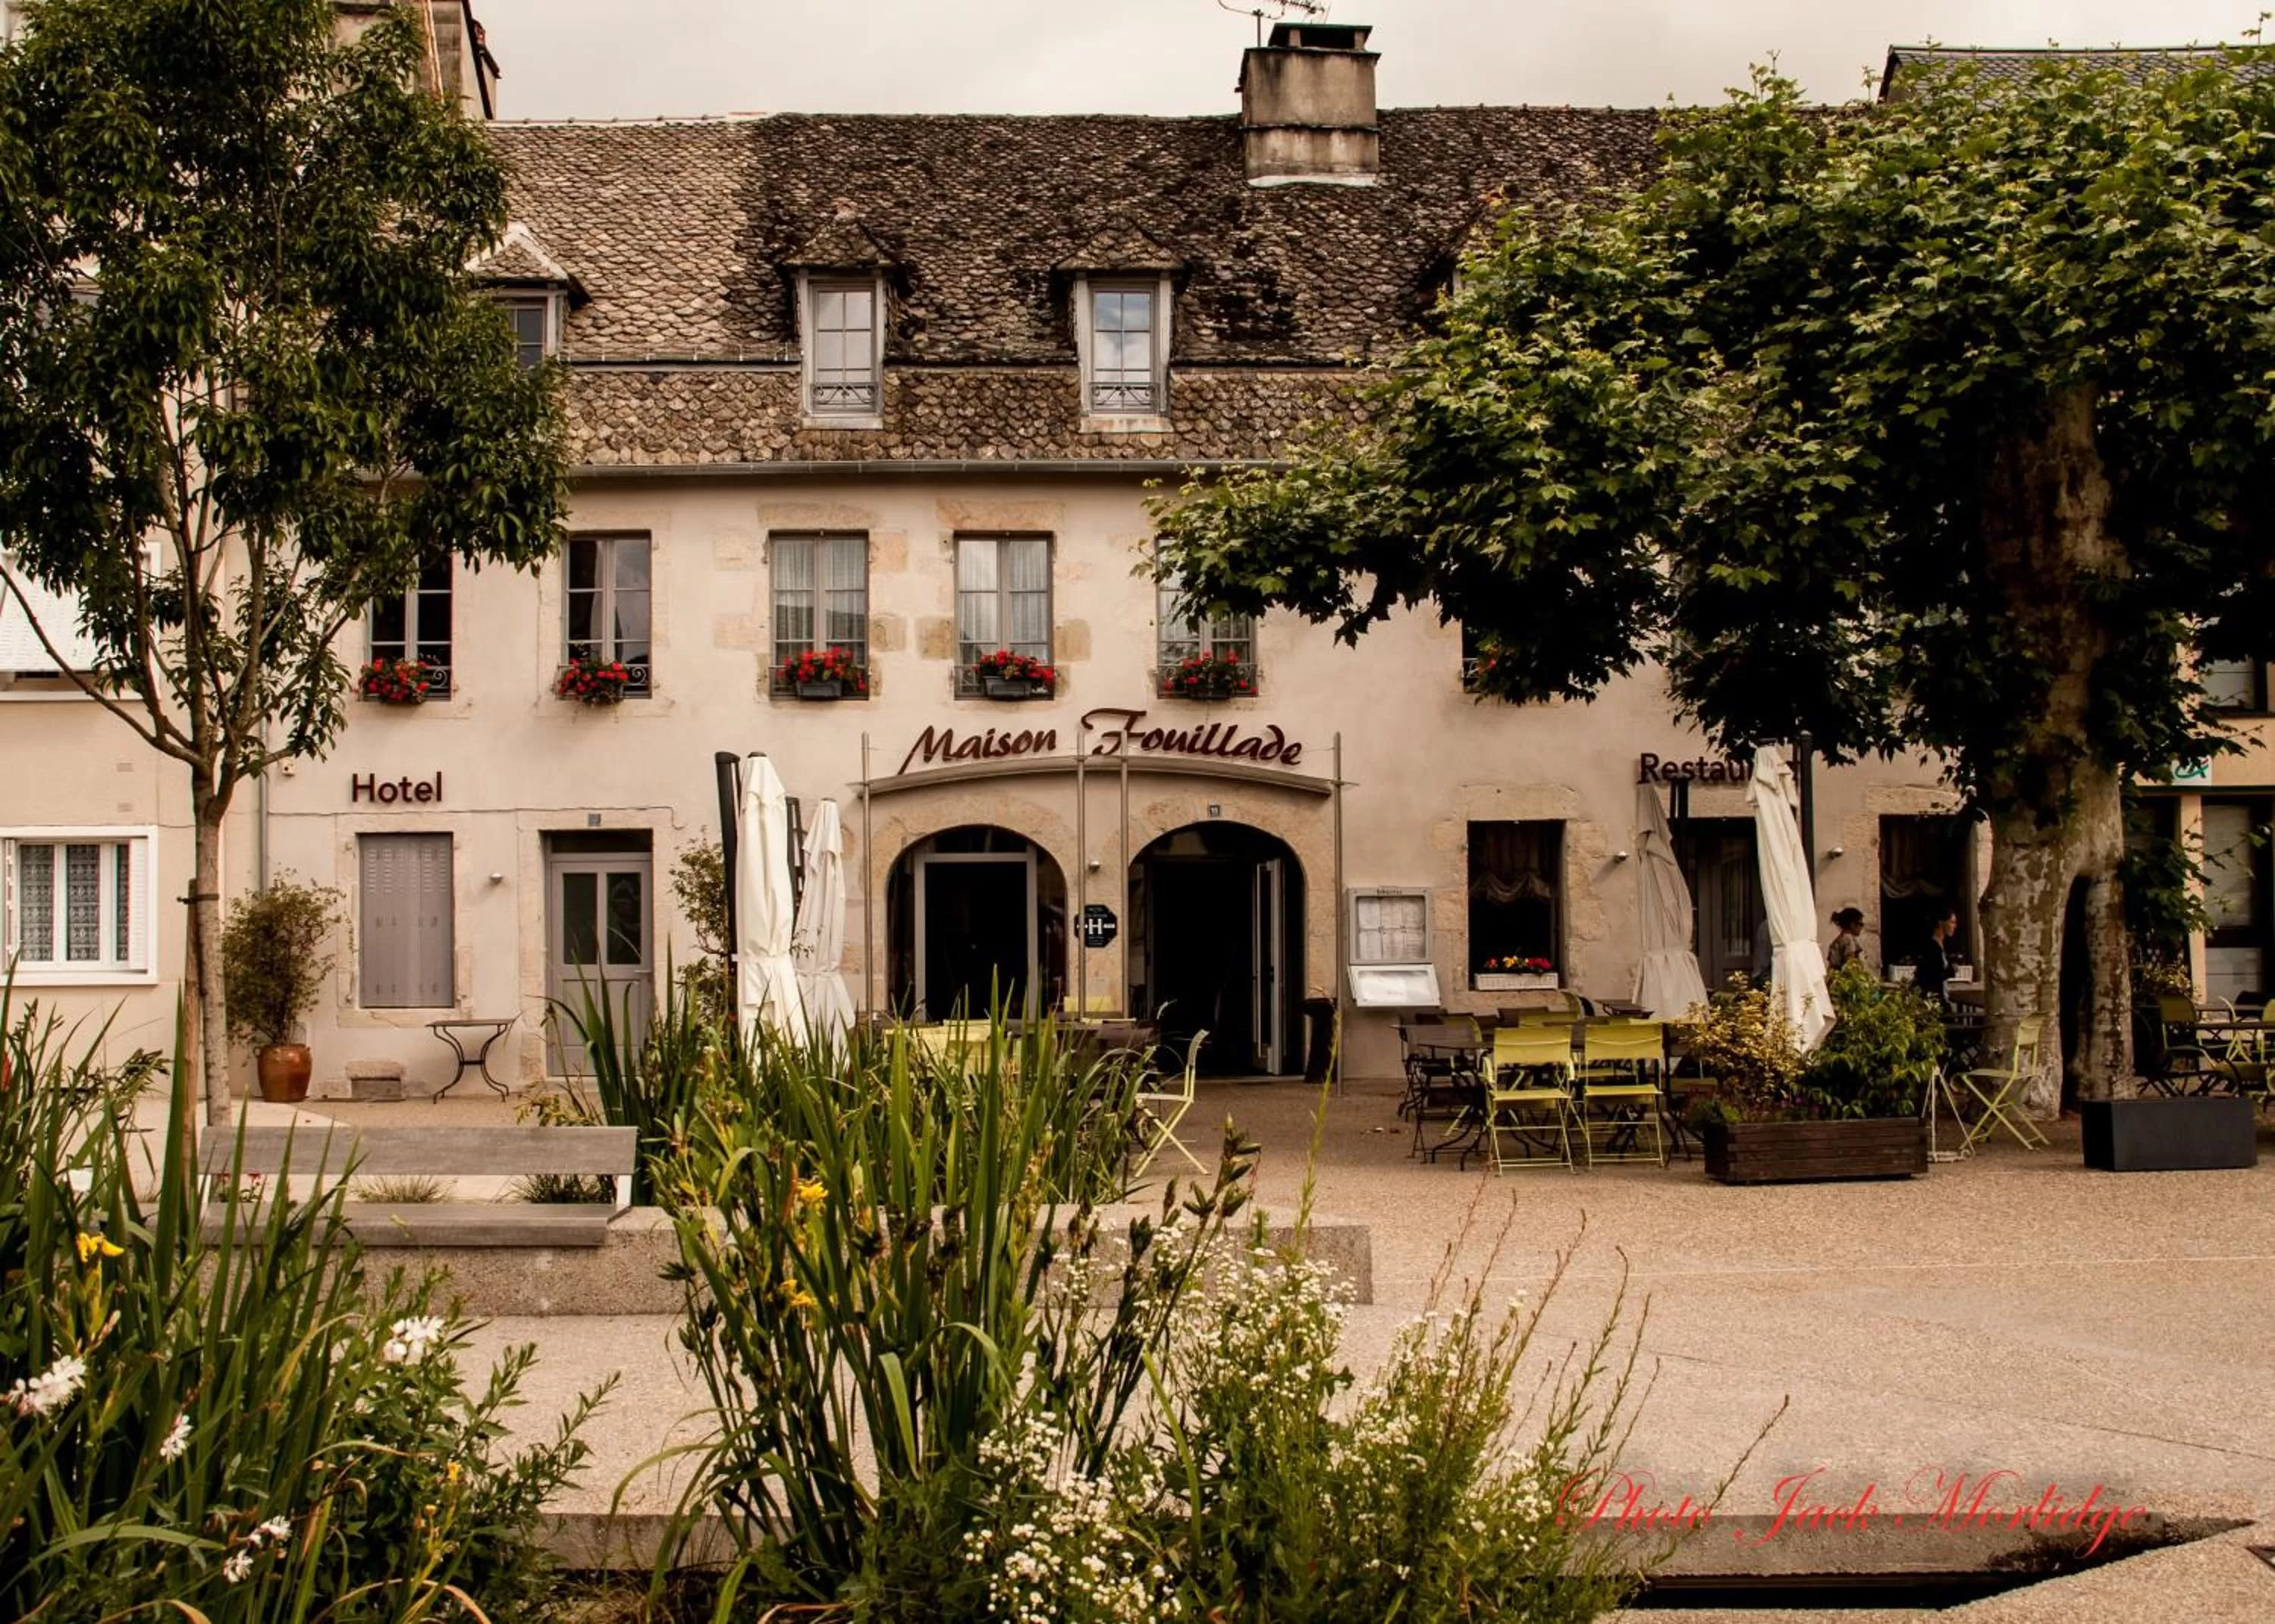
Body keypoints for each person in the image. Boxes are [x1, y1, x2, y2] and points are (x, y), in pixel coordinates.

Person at [1913, 907, 1960, 1002]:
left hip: (1941, 998)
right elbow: (1931, 977)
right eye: (1952, 922)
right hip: (1934, 1002)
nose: (1954, 926)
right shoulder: (1932, 947)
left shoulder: (1941, 946)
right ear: (1941, 923)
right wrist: (1950, 971)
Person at [1826, 907, 1866, 972]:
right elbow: (1850, 965)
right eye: (1861, 924)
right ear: (1852, 925)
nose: (1862, 927)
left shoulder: (1838, 940)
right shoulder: (1848, 940)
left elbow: (1832, 967)